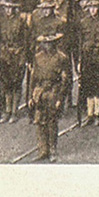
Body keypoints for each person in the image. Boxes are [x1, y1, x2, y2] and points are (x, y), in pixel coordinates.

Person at [30, 33, 70, 162]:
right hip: (40, 92)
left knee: (52, 122)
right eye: (45, 43)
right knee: (40, 121)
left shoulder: (61, 58)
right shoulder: (38, 57)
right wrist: (32, 95)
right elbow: (33, 77)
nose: (47, 46)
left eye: (50, 43)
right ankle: (43, 150)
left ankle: (53, 150)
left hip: (53, 91)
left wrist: (60, 98)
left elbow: (65, 81)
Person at [0, 0, 29, 123]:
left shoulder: (20, 21)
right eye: (6, 8)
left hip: (17, 55)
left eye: (11, 8)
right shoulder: (0, 21)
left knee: (16, 83)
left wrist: (24, 58)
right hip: (5, 55)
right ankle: (7, 110)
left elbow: (25, 40)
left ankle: (14, 111)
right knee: (6, 84)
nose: (8, 10)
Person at [75, 0, 99, 126]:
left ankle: (97, 114)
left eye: (95, 7)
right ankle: (89, 114)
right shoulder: (83, 22)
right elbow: (80, 43)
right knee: (88, 87)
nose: (93, 10)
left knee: (98, 87)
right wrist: (79, 61)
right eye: (90, 7)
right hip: (87, 59)